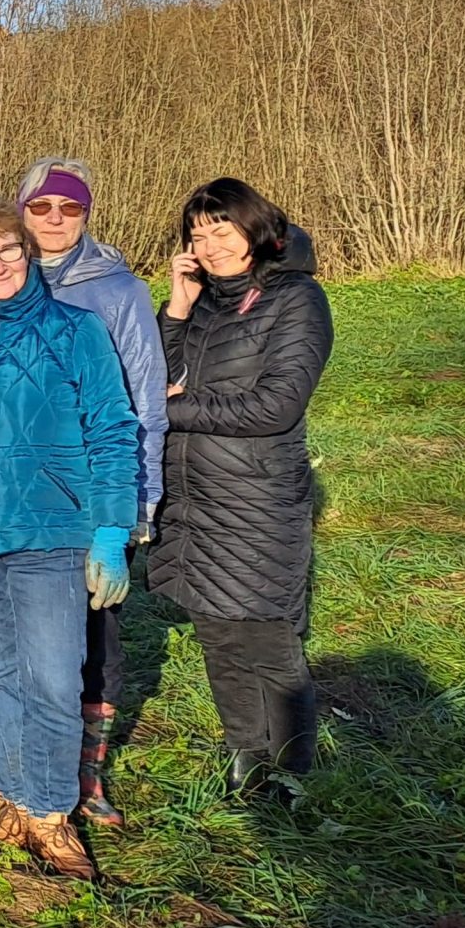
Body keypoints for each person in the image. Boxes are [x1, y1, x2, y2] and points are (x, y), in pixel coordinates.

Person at [0, 198, 139, 880]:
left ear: (27, 252)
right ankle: (14, 798)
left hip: (50, 532)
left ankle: (51, 811)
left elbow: (113, 429)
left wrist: (110, 530)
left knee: (52, 679)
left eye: (8, 249)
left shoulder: (76, 330)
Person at [150, 178, 334, 799]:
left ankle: (292, 772)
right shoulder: (203, 299)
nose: (210, 246)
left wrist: (173, 409)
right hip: (194, 498)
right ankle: (245, 757)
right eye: (197, 235)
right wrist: (177, 308)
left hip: (257, 500)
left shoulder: (296, 298)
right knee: (218, 637)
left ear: (254, 228)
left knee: (268, 641)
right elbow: (158, 374)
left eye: (221, 230)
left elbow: (276, 405)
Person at [17, 157, 169, 827]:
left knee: (94, 633)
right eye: (41, 206)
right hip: (18, 492)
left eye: (70, 207)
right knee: (23, 631)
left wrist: (139, 501)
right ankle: (21, 763)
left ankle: (88, 770)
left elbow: (146, 401)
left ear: (88, 215)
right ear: (21, 209)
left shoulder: (119, 292)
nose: (55, 218)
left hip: (93, 491)